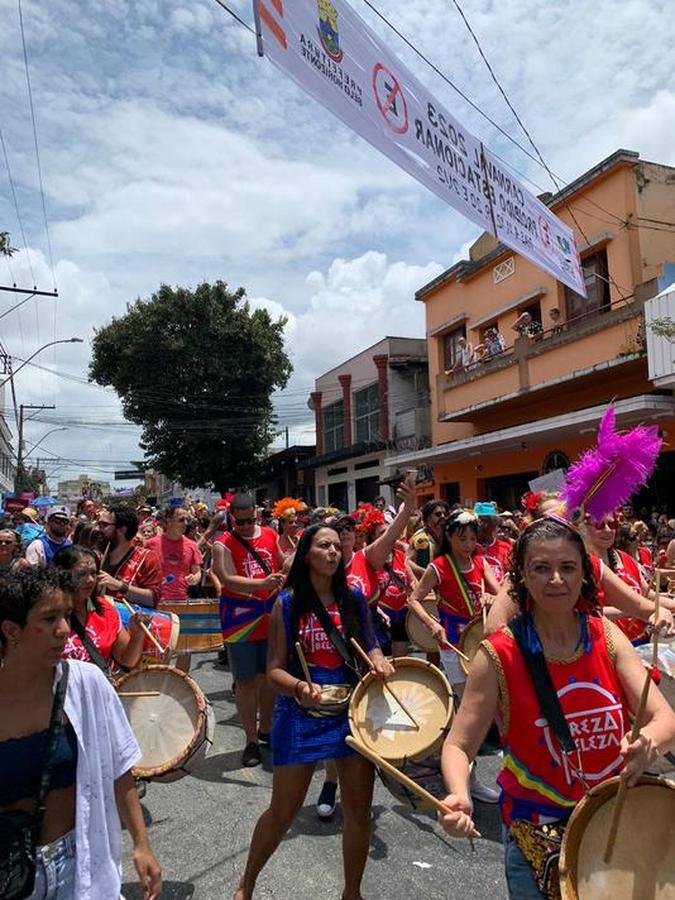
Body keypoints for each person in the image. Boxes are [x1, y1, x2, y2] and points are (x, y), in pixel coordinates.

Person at [438, 517, 675, 898]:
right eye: (541, 569)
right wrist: (458, 794)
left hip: (612, 816)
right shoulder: (498, 653)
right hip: (536, 827)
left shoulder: (605, 635)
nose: (556, 580)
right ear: (522, 578)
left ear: (584, 574)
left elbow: (664, 717)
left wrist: (648, 741)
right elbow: (459, 744)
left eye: (568, 568)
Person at [233, 524, 393, 900]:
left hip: (349, 709)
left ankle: (352, 892)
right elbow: (273, 669)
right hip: (300, 710)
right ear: (307, 555)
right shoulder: (287, 603)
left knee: (358, 810)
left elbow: (370, 646)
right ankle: (247, 883)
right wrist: (300, 688)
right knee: (282, 812)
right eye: (325, 546)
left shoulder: (353, 596)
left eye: (338, 546)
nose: (334, 552)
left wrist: (379, 660)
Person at [0, 567, 162, 899]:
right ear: (11, 630)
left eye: (66, 616)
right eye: (48, 619)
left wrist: (141, 844)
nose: (63, 630)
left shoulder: (85, 683)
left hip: (76, 863)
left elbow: (119, 767)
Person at [408, 508, 500, 803]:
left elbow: (502, 597)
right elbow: (414, 600)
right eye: (463, 538)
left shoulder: (480, 562)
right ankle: (465, 782)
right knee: (467, 716)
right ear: (449, 537)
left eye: (473, 538)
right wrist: (432, 623)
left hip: (482, 645)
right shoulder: (439, 566)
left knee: (487, 715)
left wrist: (492, 598)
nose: (469, 543)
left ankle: (468, 778)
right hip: (455, 648)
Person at [212, 492, 286, 767]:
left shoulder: (270, 534)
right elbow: (228, 579)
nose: (243, 526)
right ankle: (251, 739)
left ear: (256, 514)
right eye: (239, 522)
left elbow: (281, 561)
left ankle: (266, 730)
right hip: (240, 619)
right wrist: (262, 584)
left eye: (248, 520)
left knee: (270, 677)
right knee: (245, 681)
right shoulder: (223, 544)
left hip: (271, 615)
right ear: (232, 518)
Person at [53, 545, 147, 672]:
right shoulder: (48, 614)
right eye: (81, 574)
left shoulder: (106, 611)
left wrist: (137, 634)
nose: (90, 580)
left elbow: (127, 660)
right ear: (62, 575)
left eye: (93, 573)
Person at [96, 505, 163, 608]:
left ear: (122, 530)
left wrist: (120, 587)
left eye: (104, 525)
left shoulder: (147, 558)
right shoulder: (95, 558)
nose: (97, 529)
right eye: (98, 524)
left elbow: (153, 599)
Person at [146, 505, 203, 602]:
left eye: (187, 520)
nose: (185, 523)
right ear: (169, 521)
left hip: (181, 601)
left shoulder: (192, 546)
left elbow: (197, 572)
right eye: (181, 520)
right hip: (155, 601)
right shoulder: (150, 544)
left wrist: (194, 578)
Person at [407, 499, 450, 578]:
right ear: (427, 517)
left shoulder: (449, 535)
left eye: (445, 514)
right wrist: (424, 572)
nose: (443, 516)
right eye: (438, 514)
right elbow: (407, 561)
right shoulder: (420, 538)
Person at [473, 501, 513, 583]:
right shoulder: (468, 548)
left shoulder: (506, 548)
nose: (480, 525)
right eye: (478, 521)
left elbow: (510, 575)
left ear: (494, 523)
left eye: (485, 521)